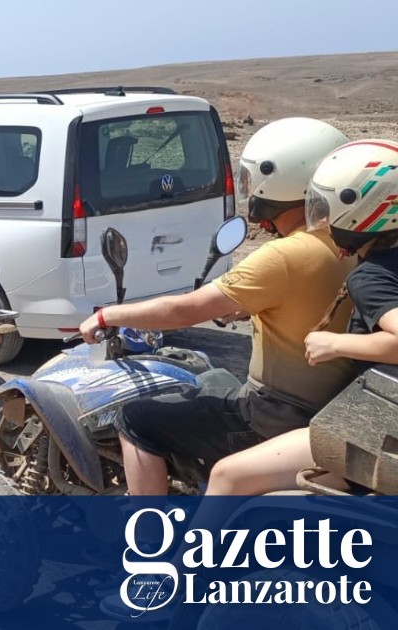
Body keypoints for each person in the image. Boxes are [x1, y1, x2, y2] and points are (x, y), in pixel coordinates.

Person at [93, 119, 359, 622]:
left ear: (274, 180)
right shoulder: (354, 248)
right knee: (212, 380)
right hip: (334, 407)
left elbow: (182, 311)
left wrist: (108, 315)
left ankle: (150, 572)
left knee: (137, 419)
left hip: (274, 414)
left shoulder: (285, 254)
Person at [201, 138, 398, 497]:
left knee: (228, 477)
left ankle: (187, 555)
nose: (322, 216)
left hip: (375, 433)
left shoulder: (372, 275)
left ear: (360, 207)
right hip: (380, 425)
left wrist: (335, 342)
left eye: (328, 205)